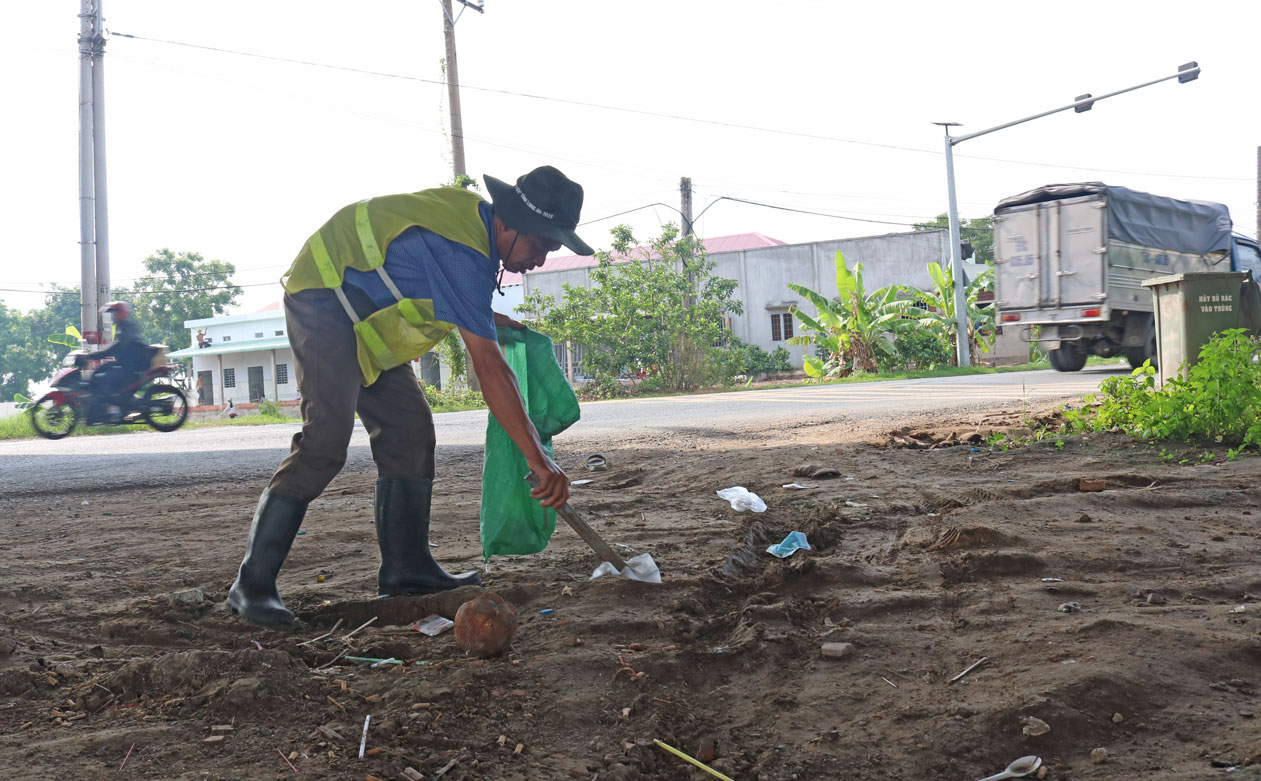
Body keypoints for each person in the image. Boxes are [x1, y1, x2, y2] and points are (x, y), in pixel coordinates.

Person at [227, 166, 594, 627]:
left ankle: (407, 570)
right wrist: (538, 458)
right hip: (324, 297)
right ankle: (252, 585)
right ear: (509, 224)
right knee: (325, 443)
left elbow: (435, 288)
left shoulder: (474, 230)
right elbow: (490, 369)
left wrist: (486, 317)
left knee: (409, 431)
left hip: (365, 316)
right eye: (541, 244)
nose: (540, 259)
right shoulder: (464, 250)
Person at [89, 301, 153, 421]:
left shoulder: (129, 328)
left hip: (132, 367)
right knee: (98, 373)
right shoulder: (122, 328)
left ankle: (114, 410)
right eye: (112, 313)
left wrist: (97, 355)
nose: (113, 316)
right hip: (124, 364)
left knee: (104, 378)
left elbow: (117, 347)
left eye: (115, 313)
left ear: (122, 313)